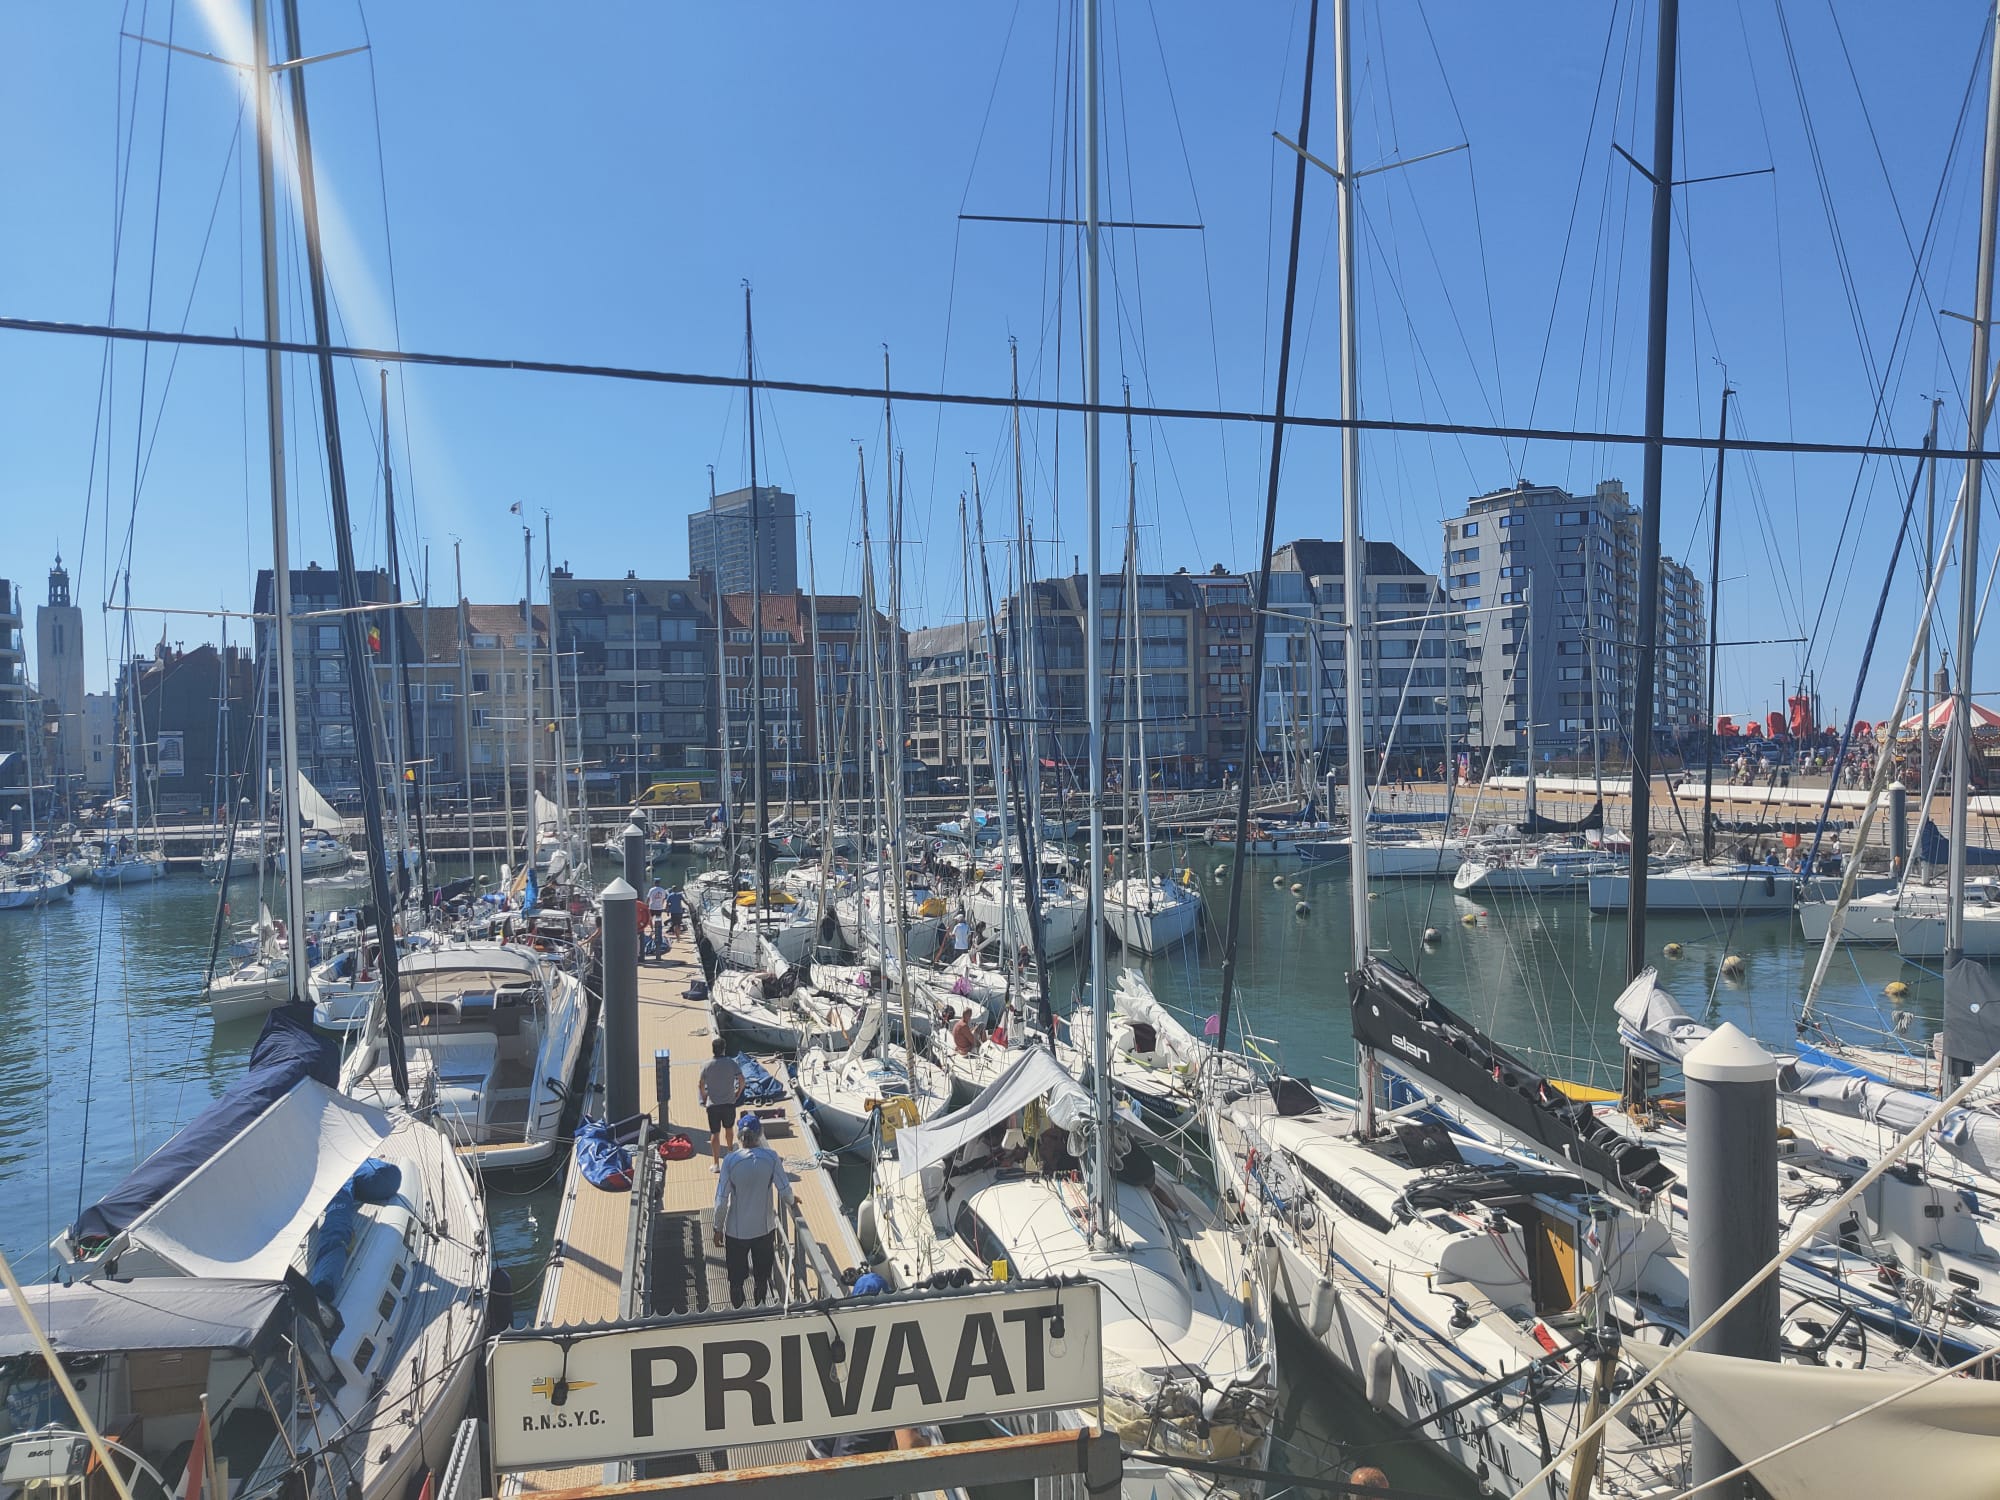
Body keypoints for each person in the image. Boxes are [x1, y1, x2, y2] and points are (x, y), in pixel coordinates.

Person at [713, 1112, 794, 1306]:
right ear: (760, 1134)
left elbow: (721, 1200)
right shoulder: (771, 1157)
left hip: (736, 1231)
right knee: (762, 1275)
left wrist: (717, 1228)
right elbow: (785, 1191)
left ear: (739, 1136)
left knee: (736, 1278)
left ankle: (738, 1309)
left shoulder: (730, 1161)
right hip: (763, 1229)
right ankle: (759, 1306)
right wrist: (792, 1201)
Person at [698, 1039, 746, 1167]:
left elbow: (701, 1084)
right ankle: (730, 1151)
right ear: (724, 1049)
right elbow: (742, 1080)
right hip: (729, 1103)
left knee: (715, 1133)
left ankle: (715, 1163)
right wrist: (738, 1092)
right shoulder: (731, 1063)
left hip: (713, 1104)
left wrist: (704, 1097)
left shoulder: (706, 1065)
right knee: (729, 1128)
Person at [646, 879, 668, 953]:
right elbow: (664, 899)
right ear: (659, 883)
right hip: (659, 907)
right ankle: (658, 930)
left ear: (654, 883)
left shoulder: (651, 890)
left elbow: (648, 898)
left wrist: (646, 904)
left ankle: (652, 929)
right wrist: (662, 904)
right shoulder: (662, 890)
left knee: (650, 919)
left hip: (652, 907)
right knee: (659, 919)